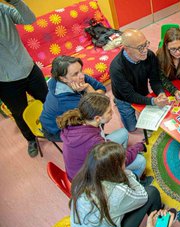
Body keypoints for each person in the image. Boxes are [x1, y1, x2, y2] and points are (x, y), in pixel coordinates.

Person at [70, 142, 162, 227]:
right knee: (152, 192)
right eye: (123, 161)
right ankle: (160, 224)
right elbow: (143, 197)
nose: (125, 162)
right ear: (116, 169)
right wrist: (127, 173)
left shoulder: (81, 180)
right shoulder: (117, 193)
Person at [57, 92, 146, 181]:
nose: (112, 114)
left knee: (123, 133)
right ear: (97, 118)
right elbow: (117, 161)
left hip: (80, 169)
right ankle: (132, 183)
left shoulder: (82, 120)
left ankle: (119, 155)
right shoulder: (94, 142)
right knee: (141, 161)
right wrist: (137, 147)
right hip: (89, 180)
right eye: (109, 112)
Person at [0, 0, 49, 157]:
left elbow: (29, 19)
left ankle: (58, 126)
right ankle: (31, 139)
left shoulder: (4, 10)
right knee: (20, 113)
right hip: (6, 82)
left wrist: (15, 1)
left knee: (47, 99)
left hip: (29, 69)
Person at [110, 29, 169, 132]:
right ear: (126, 49)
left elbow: (155, 79)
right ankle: (117, 101)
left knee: (149, 119)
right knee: (132, 128)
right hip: (124, 98)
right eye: (140, 47)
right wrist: (153, 101)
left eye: (146, 44)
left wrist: (160, 92)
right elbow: (129, 95)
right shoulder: (116, 68)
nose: (145, 50)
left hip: (141, 91)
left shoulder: (149, 55)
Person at [40, 55, 106, 142]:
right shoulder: (62, 101)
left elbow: (102, 89)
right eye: (75, 74)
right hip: (55, 130)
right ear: (63, 78)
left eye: (81, 70)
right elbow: (100, 105)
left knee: (99, 118)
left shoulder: (77, 77)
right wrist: (92, 93)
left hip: (71, 117)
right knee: (99, 119)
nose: (82, 76)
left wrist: (88, 87)